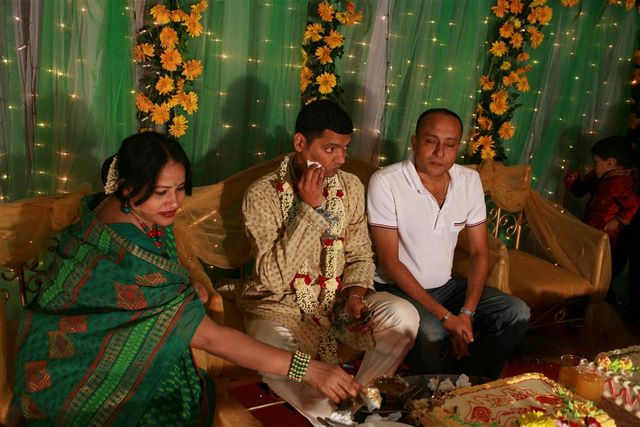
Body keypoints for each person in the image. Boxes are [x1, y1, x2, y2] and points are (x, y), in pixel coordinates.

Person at [8, 132, 363, 426]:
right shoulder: (127, 247)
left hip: (55, 347)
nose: (174, 202)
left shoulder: (117, 207)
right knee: (171, 406)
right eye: (161, 192)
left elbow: (146, 287)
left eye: (179, 188)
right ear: (128, 187)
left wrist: (176, 292)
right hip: (77, 374)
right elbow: (210, 337)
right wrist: (308, 369)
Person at [239, 100, 419, 425]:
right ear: (300, 143)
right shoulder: (262, 194)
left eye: (345, 148)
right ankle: (338, 414)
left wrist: (354, 297)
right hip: (278, 308)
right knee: (272, 351)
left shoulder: (350, 186)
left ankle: (356, 399)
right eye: (331, 148)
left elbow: (361, 254)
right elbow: (272, 279)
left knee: (403, 316)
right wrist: (309, 211)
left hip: (334, 305)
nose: (341, 159)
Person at [367, 108, 530, 380]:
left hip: (446, 286)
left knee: (516, 311)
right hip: (397, 288)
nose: (439, 152)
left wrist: (466, 313)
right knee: (432, 331)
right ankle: (430, 395)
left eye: (450, 144)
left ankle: (467, 383)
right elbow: (390, 262)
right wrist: (446, 318)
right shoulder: (386, 182)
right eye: (431, 141)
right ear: (415, 142)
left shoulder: (469, 181)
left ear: (458, 147)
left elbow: (479, 252)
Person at [564, 135, 640, 309]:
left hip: (607, 237)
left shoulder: (619, 182)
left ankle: (599, 304)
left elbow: (634, 204)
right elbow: (581, 190)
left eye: (596, 162)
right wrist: (573, 182)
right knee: (588, 265)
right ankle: (589, 300)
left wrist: (617, 221)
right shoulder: (601, 175)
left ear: (610, 162)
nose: (593, 166)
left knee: (601, 270)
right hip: (593, 231)